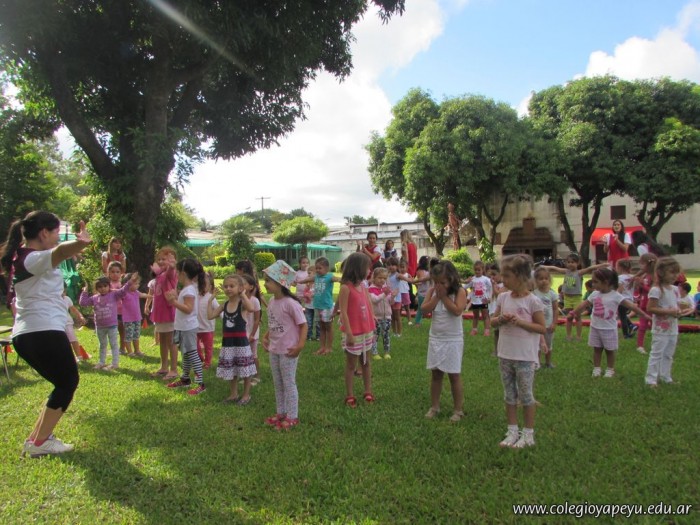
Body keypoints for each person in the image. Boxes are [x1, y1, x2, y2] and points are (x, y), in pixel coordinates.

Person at [1, 212, 91, 457]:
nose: (56, 238)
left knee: (63, 383)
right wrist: (81, 243)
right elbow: (60, 251)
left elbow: (58, 253)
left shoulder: (26, 257)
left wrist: (75, 247)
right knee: (67, 382)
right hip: (42, 331)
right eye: (55, 233)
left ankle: (37, 439)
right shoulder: (33, 258)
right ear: (43, 233)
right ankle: (40, 443)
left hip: (32, 332)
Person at [490, 254, 546, 448]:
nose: (502, 280)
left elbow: (541, 328)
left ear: (520, 277)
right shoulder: (503, 297)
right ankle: (512, 430)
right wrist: (501, 320)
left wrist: (521, 323)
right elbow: (492, 321)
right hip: (505, 354)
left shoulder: (533, 302)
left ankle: (528, 434)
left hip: (525, 357)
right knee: (509, 394)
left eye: (507, 276)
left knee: (526, 395)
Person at [569, 268, 650, 378]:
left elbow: (631, 306)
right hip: (595, 327)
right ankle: (596, 368)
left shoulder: (615, 295)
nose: (593, 284)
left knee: (609, 350)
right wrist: (574, 312)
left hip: (609, 329)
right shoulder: (594, 294)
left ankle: (610, 369)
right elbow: (584, 304)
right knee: (597, 349)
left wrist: (643, 314)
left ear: (606, 282)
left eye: (595, 282)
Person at [262, 261, 308, 430]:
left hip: (289, 350)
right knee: (278, 383)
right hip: (274, 349)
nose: (265, 284)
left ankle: (292, 416)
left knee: (288, 383)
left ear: (280, 282)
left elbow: (303, 325)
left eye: (268, 280)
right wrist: (266, 336)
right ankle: (281, 412)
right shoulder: (272, 302)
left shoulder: (291, 303)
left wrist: (300, 346)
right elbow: (274, 322)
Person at [421, 260, 468, 422]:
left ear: (451, 279)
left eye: (443, 282)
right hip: (436, 338)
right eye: (436, 282)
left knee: (454, 375)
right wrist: (436, 297)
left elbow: (457, 311)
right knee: (436, 374)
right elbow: (424, 309)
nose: (439, 286)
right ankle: (434, 406)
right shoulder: (432, 291)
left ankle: (458, 410)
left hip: (453, 339)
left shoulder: (460, 292)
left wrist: (444, 298)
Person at [209, 274, 256, 403]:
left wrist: (243, 295)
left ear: (240, 288)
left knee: (245, 369)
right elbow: (210, 316)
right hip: (228, 343)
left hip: (241, 343)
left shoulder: (242, 304)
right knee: (231, 368)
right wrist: (210, 300)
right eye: (226, 286)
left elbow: (251, 308)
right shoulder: (224, 304)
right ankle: (233, 394)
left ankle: (246, 395)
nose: (228, 288)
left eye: (231, 286)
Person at [338, 253, 377, 407]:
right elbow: (343, 312)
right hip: (353, 333)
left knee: (366, 362)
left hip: (366, 331)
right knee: (351, 365)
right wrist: (348, 333)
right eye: (367, 268)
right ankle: (350, 394)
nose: (369, 271)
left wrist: (372, 322)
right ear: (358, 268)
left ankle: (368, 390)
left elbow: (369, 305)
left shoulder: (363, 287)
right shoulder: (345, 288)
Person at [165, 258, 207, 395]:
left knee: (192, 353)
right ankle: (185, 378)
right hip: (184, 326)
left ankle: (200, 383)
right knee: (186, 354)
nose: (176, 275)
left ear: (183, 273)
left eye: (177, 272)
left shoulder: (189, 290)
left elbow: (188, 309)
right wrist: (177, 297)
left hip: (188, 327)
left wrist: (173, 302)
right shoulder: (188, 289)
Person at [540, 254, 606, 341]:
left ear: (577, 263)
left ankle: (578, 336)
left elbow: (590, 268)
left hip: (576, 298)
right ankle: (569, 335)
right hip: (567, 298)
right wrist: (543, 267)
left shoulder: (579, 273)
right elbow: (554, 268)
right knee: (569, 317)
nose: (570, 264)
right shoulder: (566, 272)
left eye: (572, 262)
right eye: (568, 262)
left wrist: (602, 265)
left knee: (577, 317)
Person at [79, 274, 137, 370]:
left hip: (112, 326)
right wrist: (84, 291)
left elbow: (123, 291)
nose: (103, 289)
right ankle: (101, 362)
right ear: (96, 288)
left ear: (109, 286)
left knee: (114, 344)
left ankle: (115, 363)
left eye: (105, 286)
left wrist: (130, 282)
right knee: (102, 345)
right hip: (100, 326)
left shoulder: (113, 295)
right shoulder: (94, 298)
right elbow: (83, 302)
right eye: (100, 287)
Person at [645, 258, 685, 387]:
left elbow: (675, 305)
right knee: (657, 353)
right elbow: (650, 308)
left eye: (677, 272)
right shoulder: (656, 290)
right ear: (661, 272)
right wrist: (669, 311)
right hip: (660, 329)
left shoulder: (675, 289)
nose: (675, 275)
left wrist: (678, 311)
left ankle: (666, 376)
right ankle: (651, 379)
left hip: (673, 328)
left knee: (668, 354)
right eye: (672, 272)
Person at [296, 256, 340, 355]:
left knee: (328, 327)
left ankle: (329, 348)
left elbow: (338, 279)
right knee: (322, 327)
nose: (318, 270)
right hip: (317, 306)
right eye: (316, 268)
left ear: (327, 268)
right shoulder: (316, 277)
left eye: (320, 268)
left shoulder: (329, 276)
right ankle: (322, 347)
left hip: (326, 307)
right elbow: (307, 279)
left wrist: (345, 280)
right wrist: (298, 281)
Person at [150, 247, 179, 380]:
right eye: (159, 259)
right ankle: (164, 367)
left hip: (169, 313)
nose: (161, 261)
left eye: (165, 259)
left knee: (171, 342)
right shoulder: (159, 275)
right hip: (160, 314)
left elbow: (171, 273)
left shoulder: (170, 273)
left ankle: (173, 369)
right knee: (162, 341)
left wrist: (171, 266)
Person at [532, 267, 558, 368]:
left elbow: (555, 309)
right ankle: (537, 363)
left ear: (549, 280)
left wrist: (554, 323)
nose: (544, 281)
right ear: (536, 280)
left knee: (548, 344)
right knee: (537, 345)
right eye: (541, 279)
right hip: (537, 325)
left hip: (548, 325)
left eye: (546, 278)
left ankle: (548, 362)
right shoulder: (534, 294)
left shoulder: (552, 294)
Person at [633, 253, 658, 354]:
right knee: (642, 326)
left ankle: (656, 344)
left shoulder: (655, 277)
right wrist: (638, 286)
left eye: (642, 264)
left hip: (652, 305)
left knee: (654, 326)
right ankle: (640, 345)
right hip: (643, 304)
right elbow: (641, 290)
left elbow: (654, 291)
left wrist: (642, 285)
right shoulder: (645, 275)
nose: (640, 266)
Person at [368, 267, 394, 360]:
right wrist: (384, 294)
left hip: (387, 316)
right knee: (375, 335)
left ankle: (387, 352)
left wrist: (393, 297)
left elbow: (391, 303)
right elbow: (375, 300)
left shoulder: (385, 289)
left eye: (384, 278)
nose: (382, 280)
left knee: (386, 335)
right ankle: (375, 353)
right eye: (380, 278)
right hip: (376, 317)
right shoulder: (370, 289)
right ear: (374, 278)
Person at [121, 272, 148, 357]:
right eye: (135, 283)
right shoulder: (124, 293)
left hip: (137, 318)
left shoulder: (136, 292)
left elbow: (143, 295)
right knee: (128, 335)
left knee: (136, 335)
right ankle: (130, 352)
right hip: (128, 319)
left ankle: (137, 350)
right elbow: (120, 290)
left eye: (138, 283)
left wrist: (151, 296)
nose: (138, 285)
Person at [242, 274, 262, 385]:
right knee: (244, 355)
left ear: (251, 287)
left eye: (244, 284)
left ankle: (257, 376)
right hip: (242, 332)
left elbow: (257, 319)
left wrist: (252, 334)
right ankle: (246, 376)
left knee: (253, 355)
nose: (241, 285)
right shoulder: (239, 300)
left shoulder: (255, 301)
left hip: (252, 332)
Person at [196, 272, 218, 369]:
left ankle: (207, 362)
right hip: (196, 327)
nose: (202, 286)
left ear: (210, 287)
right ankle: (200, 358)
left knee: (208, 347)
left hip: (208, 328)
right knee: (195, 346)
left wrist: (225, 318)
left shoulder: (211, 298)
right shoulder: (195, 296)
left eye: (205, 284)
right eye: (201, 284)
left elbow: (219, 309)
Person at [465, 260, 492, 336]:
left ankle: (487, 330)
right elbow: (465, 286)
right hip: (475, 301)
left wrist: (489, 297)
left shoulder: (486, 279)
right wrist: (466, 281)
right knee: (475, 316)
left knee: (485, 316)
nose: (477, 271)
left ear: (482, 270)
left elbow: (491, 287)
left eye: (479, 270)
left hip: (483, 301)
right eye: (475, 270)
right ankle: (474, 329)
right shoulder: (473, 279)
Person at [294, 256, 318, 341]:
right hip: (300, 297)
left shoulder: (312, 275)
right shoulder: (297, 273)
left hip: (310, 300)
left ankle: (315, 335)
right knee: (303, 315)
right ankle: (305, 332)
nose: (305, 264)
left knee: (314, 319)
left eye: (307, 263)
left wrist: (309, 295)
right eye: (303, 263)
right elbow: (294, 283)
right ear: (300, 264)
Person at [106, 260, 126, 354]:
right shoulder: (107, 285)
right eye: (113, 272)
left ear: (121, 273)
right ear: (109, 273)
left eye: (117, 272)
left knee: (123, 330)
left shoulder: (123, 284)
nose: (115, 274)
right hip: (111, 311)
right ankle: (114, 348)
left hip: (123, 311)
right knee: (112, 332)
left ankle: (122, 348)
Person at [62, 288, 88, 361]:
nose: (62, 293)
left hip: (67, 323)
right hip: (56, 324)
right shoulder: (51, 299)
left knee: (73, 339)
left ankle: (79, 357)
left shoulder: (67, 299)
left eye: (64, 291)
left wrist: (80, 316)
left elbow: (73, 309)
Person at [616, 259, 636, 339]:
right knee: (623, 315)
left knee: (622, 317)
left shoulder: (620, 278)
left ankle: (626, 333)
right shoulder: (632, 277)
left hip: (622, 300)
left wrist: (615, 297)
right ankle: (631, 326)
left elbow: (620, 290)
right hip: (630, 299)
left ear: (620, 267)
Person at [412, 256, 432, 327]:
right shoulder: (420, 270)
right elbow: (421, 280)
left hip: (429, 291)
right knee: (420, 308)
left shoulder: (429, 271)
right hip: (423, 292)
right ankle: (417, 322)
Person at [398, 259, 414, 326]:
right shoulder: (397, 275)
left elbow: (412, 280)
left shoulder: (408, 275)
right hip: (398, 293)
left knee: (407, 307)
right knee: (399, 308)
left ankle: (409, 320)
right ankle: (399, 320)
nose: (402, 269)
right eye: (400, 267)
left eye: (403, 267)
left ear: (407, 267)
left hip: (405, 292)